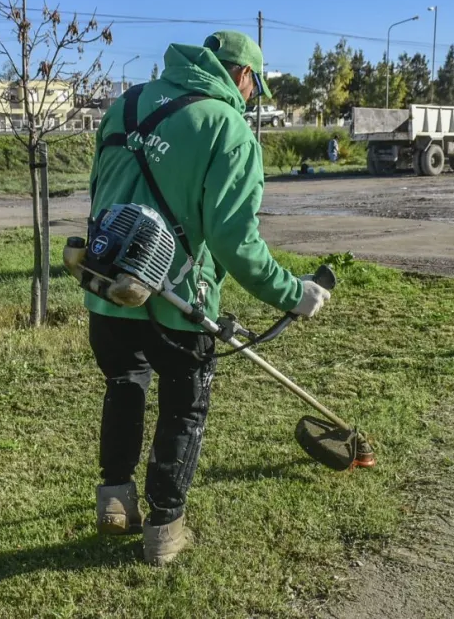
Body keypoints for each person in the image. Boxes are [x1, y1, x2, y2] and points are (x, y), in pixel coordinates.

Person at [84, 30, 331, 566]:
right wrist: (292, 293)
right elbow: (235, 242)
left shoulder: (125, 105)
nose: (252, 98)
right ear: (242, 76)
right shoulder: (229, 128)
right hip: (178, 300)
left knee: (124, 384)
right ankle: (165, 528)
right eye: (255, 88)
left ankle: (115, 501)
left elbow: (99, 190)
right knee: (184, 403)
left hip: (107, 288)